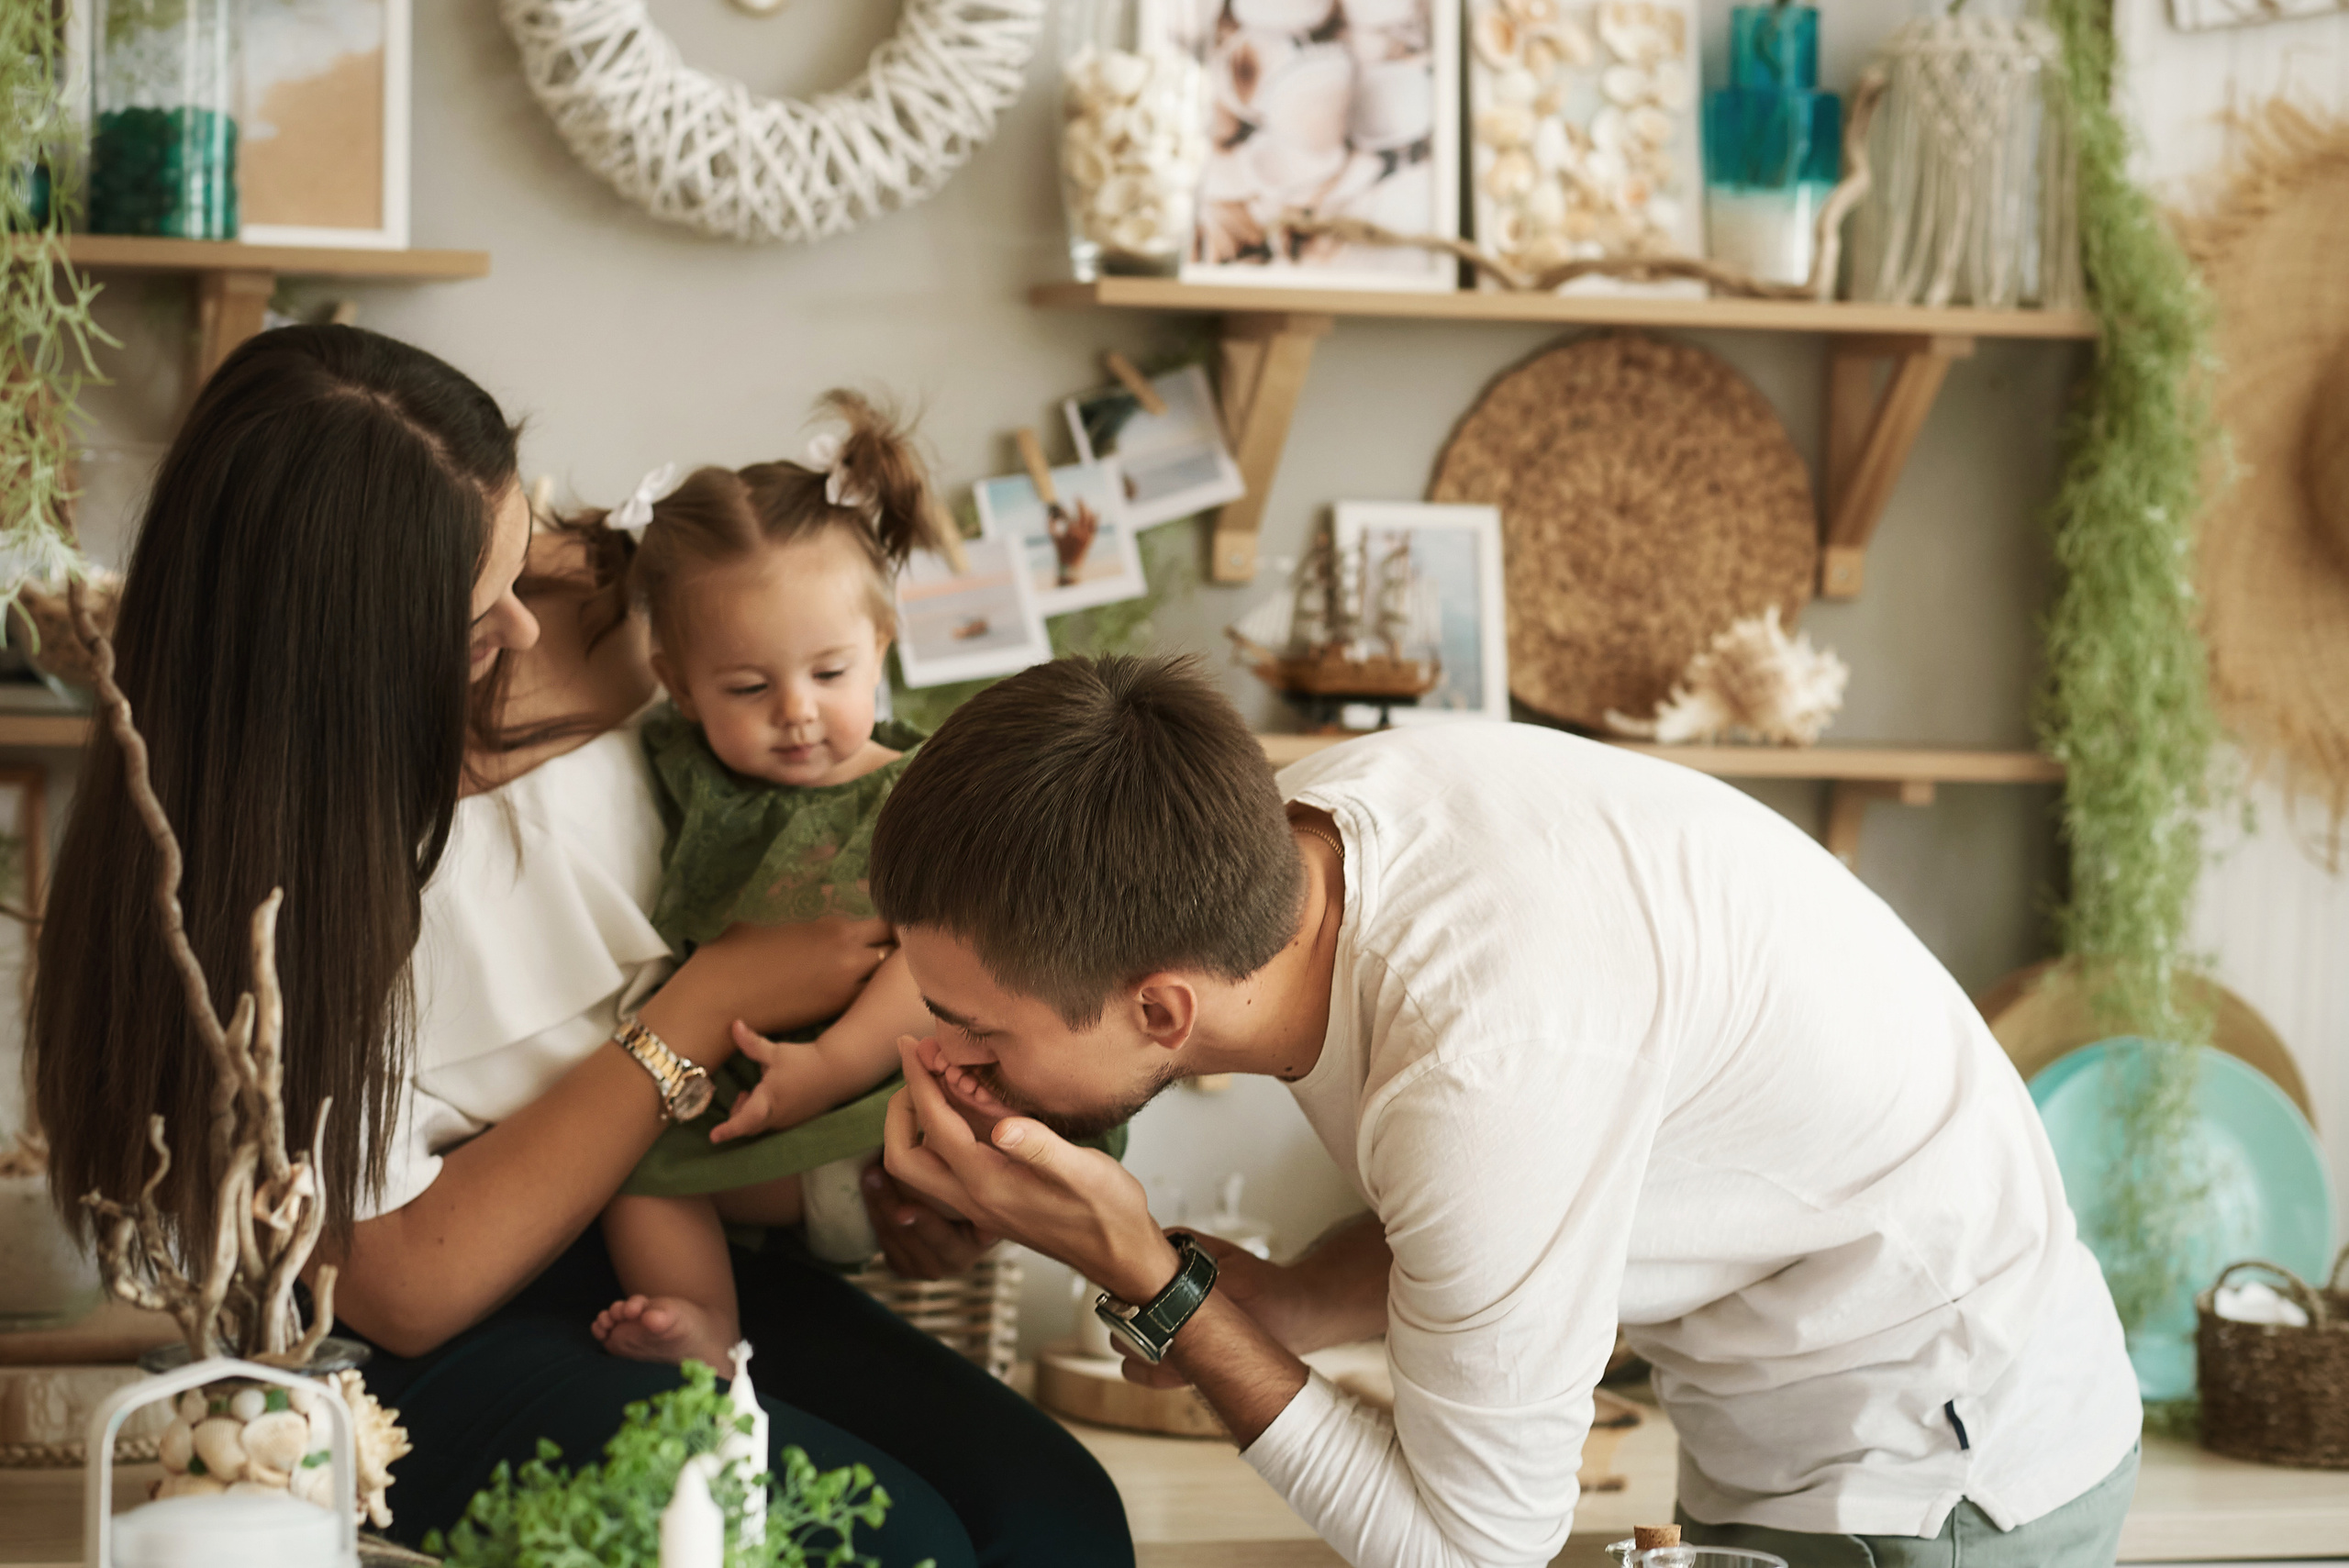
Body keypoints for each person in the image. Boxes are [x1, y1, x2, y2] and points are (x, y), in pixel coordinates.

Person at [31, 326, 1133, 1566]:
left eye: (519, 564)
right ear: (349, 648)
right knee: (892, 1547)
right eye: (473, 609)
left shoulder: (620, 637)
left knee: (1058, 1517)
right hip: (394, 1344)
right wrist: (703, 1006)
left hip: (647, 1252)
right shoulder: (248, 894)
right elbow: (402, 1282)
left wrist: (870, 1186)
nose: (524, 628)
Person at [867, 654, 2143, 1568]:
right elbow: (1546, 1177)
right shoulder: (1314, 838)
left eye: (978, 1027)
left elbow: (1469, 1551)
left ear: (1161, 1012)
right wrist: (1296, 1299)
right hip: (1811, 1419)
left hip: (1934, 1466)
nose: (941, 1054)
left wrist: (1153, 1279)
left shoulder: (1486, 1055)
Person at [588, 392, 958, 1371]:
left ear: (881, 645)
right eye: (748, 688)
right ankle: (707, 1329)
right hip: (758, 1133)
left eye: (830, 673)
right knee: (615, 1161)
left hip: (872, 1127)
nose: (796, 712)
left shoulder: (914, 795)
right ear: (678, 681)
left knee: (632, 1171)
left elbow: (936, 959)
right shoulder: (688, 766)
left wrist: (828, 1065)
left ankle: (706, 1325)